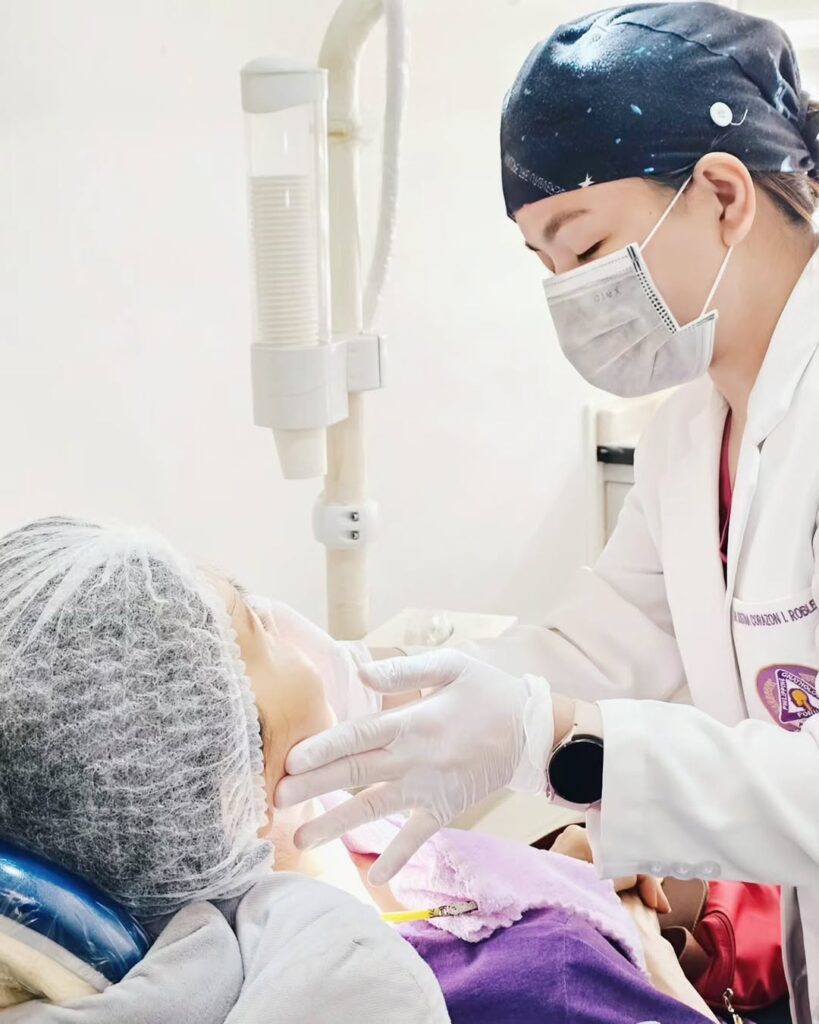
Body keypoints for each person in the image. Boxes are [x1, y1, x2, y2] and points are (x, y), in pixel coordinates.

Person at [272, 4, 819, 1023]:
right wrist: (369, 704)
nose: (569, 294)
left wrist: (553, 738)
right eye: (544, 264)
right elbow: (602, 643)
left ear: (723, 194)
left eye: (585, 246)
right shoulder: (692, 436)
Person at [0, 516, 724, 1023]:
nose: (281, 621)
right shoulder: (541, 983)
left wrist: (563, 869)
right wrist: (645, 950)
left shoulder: (336, 845)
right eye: (255, 629)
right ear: (228, 787)